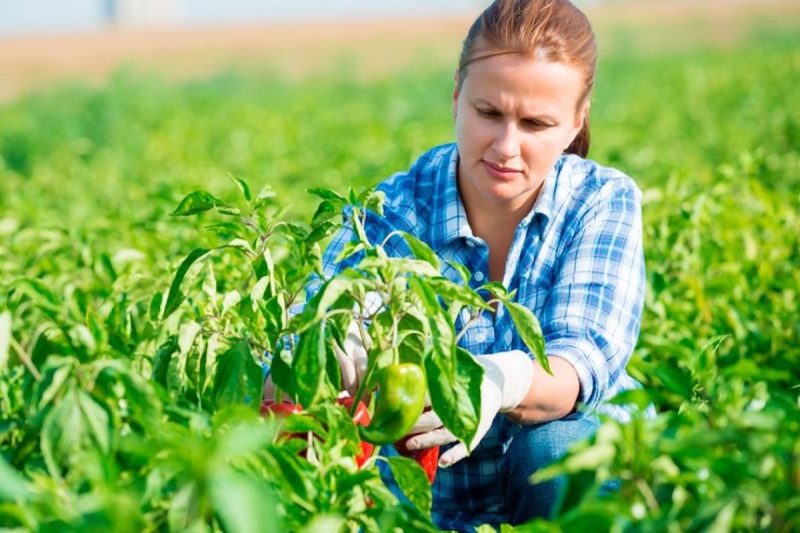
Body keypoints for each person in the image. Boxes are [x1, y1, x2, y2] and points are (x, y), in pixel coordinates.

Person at [317, 0, 646, 529]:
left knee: (557, 454)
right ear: (456, 96)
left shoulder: (600, 201)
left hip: (561, 468)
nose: (506, 146)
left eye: (536, 123)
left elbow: (579, 364)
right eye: (488, 113)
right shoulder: (395, 212)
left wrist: (499, 380)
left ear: (575, 123)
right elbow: (296, 347)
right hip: (434, 497)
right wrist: (335, 345)